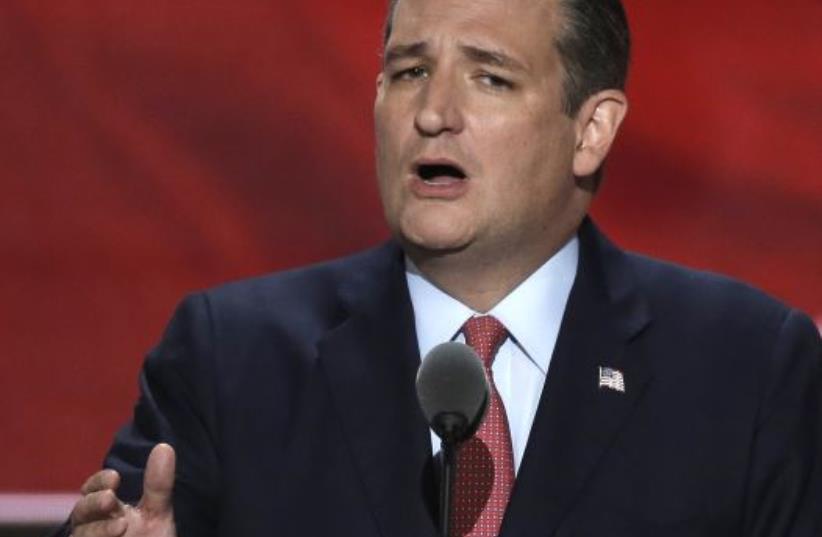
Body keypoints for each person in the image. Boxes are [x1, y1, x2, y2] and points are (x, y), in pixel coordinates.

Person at [62, 0, 822, 536]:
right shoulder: (229, 357)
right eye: (408, 71)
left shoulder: (748, 367)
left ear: (591, 130)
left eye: (490, 76)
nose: (434, 112)